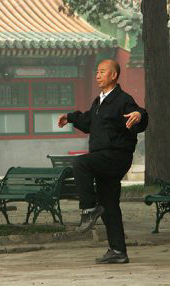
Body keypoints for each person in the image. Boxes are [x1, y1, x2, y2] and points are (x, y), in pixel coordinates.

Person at [58, 59, 148, 264]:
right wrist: (70, 117)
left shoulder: (122, 99)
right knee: (109, 204)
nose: (97, 75)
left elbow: (139, 113)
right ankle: (118, 251)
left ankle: (89, 209)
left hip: (116, 155)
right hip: (102, 157)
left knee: (81, 163)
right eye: (96, 71)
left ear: (114, 75)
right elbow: (88, 120)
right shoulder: (99, 101)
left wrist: (138, 115)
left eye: (102, 71)